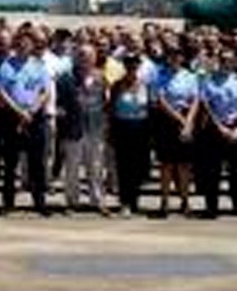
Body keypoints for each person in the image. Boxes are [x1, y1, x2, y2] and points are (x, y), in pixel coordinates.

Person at [0, 32, 52, 216]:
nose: (23, 47)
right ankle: (8, 202)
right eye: (20, 44)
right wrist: (19, 112)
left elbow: (45, 91)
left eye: (27, 44)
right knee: (11, 162)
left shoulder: (39, 66)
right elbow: (2, 92)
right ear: (15, 45)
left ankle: (39, 202)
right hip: (12, 117)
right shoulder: (6, 66)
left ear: (32, 46)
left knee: (37, 162)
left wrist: (32, 110)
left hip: (35, 117)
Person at [196, 46, 237, 219]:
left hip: (236, 129)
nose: (226, 63)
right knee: (212, 171)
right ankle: (211, 207)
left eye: (229, 59)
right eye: (223, 59)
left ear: (234, 61)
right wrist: (219, 126)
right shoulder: (209, 80)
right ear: (218, 61)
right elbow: (206, 105)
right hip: (215, 130)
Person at [57, 44, 110, 215]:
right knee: (72, 167)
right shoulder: (66, 78)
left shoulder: (101, 77)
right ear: (76, 57)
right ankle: (72, 201)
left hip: (95, 128)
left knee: (96, 167)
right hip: (73, 129)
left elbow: (106, 102)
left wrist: (106, 125)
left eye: (89, 55)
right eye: (81, 55)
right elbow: (59, 104)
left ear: (95, 58)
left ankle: (98, 200)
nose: (85, 59)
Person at [151, 46, 201, 217]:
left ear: (182, 58)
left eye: (178, 55)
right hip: (167, 121)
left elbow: (195, 99)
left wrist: (189, 122)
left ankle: (185, 201)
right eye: (171, 56)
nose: (175, 59)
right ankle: (164, 201)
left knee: (184, 165)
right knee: (166, 164)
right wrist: (181, 120)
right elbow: (161, 100)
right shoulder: (161, 75)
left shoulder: (190, 76)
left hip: (186, 119)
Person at [108, 54, 153, 217]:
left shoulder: (145, 85)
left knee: (139, 167)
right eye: (129, 65)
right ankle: (125, 201)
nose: (132, 68)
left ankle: (135, 199)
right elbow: (111, 110)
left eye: (135, 65)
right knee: (124, 167)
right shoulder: (117, 85)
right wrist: (110, 132)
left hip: (141, 128)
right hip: (123, 127)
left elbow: (150, 109)